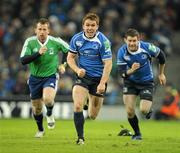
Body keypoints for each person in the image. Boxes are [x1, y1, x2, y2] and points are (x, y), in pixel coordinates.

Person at [67, 13, 112, 145]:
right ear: (83, 26)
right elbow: (70, 58)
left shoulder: (103, 41)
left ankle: (88, 99)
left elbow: (108, 63)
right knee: (77, 105)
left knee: (92, 115)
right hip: (83, 77)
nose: (90, 28)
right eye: (87, 25)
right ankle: (80, 138)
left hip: (99, 79)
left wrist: (103, 83)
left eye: (93, 25)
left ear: (97, 26)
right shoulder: (76, 39)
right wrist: (77, 70)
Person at [20, 18, 69, 138]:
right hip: (34, 78)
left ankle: (50, 114)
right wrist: (38, 53)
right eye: (39, 29)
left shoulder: (56, 41)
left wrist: (63, 64)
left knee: (47, 99)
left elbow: (69, 51)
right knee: (37, 108)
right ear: (35, 30)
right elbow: (23, 60)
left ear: (49, 31)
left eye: (44, 29)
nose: (42, 32)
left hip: (50, 76)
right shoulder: (30, 42)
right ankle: (40, 130)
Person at [117, 28, 166, 140]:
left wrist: (161, 74)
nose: (132, 43)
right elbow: (122, 73)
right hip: (130, 83)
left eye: (134, 40)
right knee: (130, 111)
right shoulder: (121, 52)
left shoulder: (147, 47)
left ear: (138, 39)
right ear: (125, 40)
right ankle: (137, 133)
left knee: (143, 110)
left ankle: (148, 109)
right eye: (130, 41)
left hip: (146, 82)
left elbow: (162, 56)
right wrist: (131, 70)